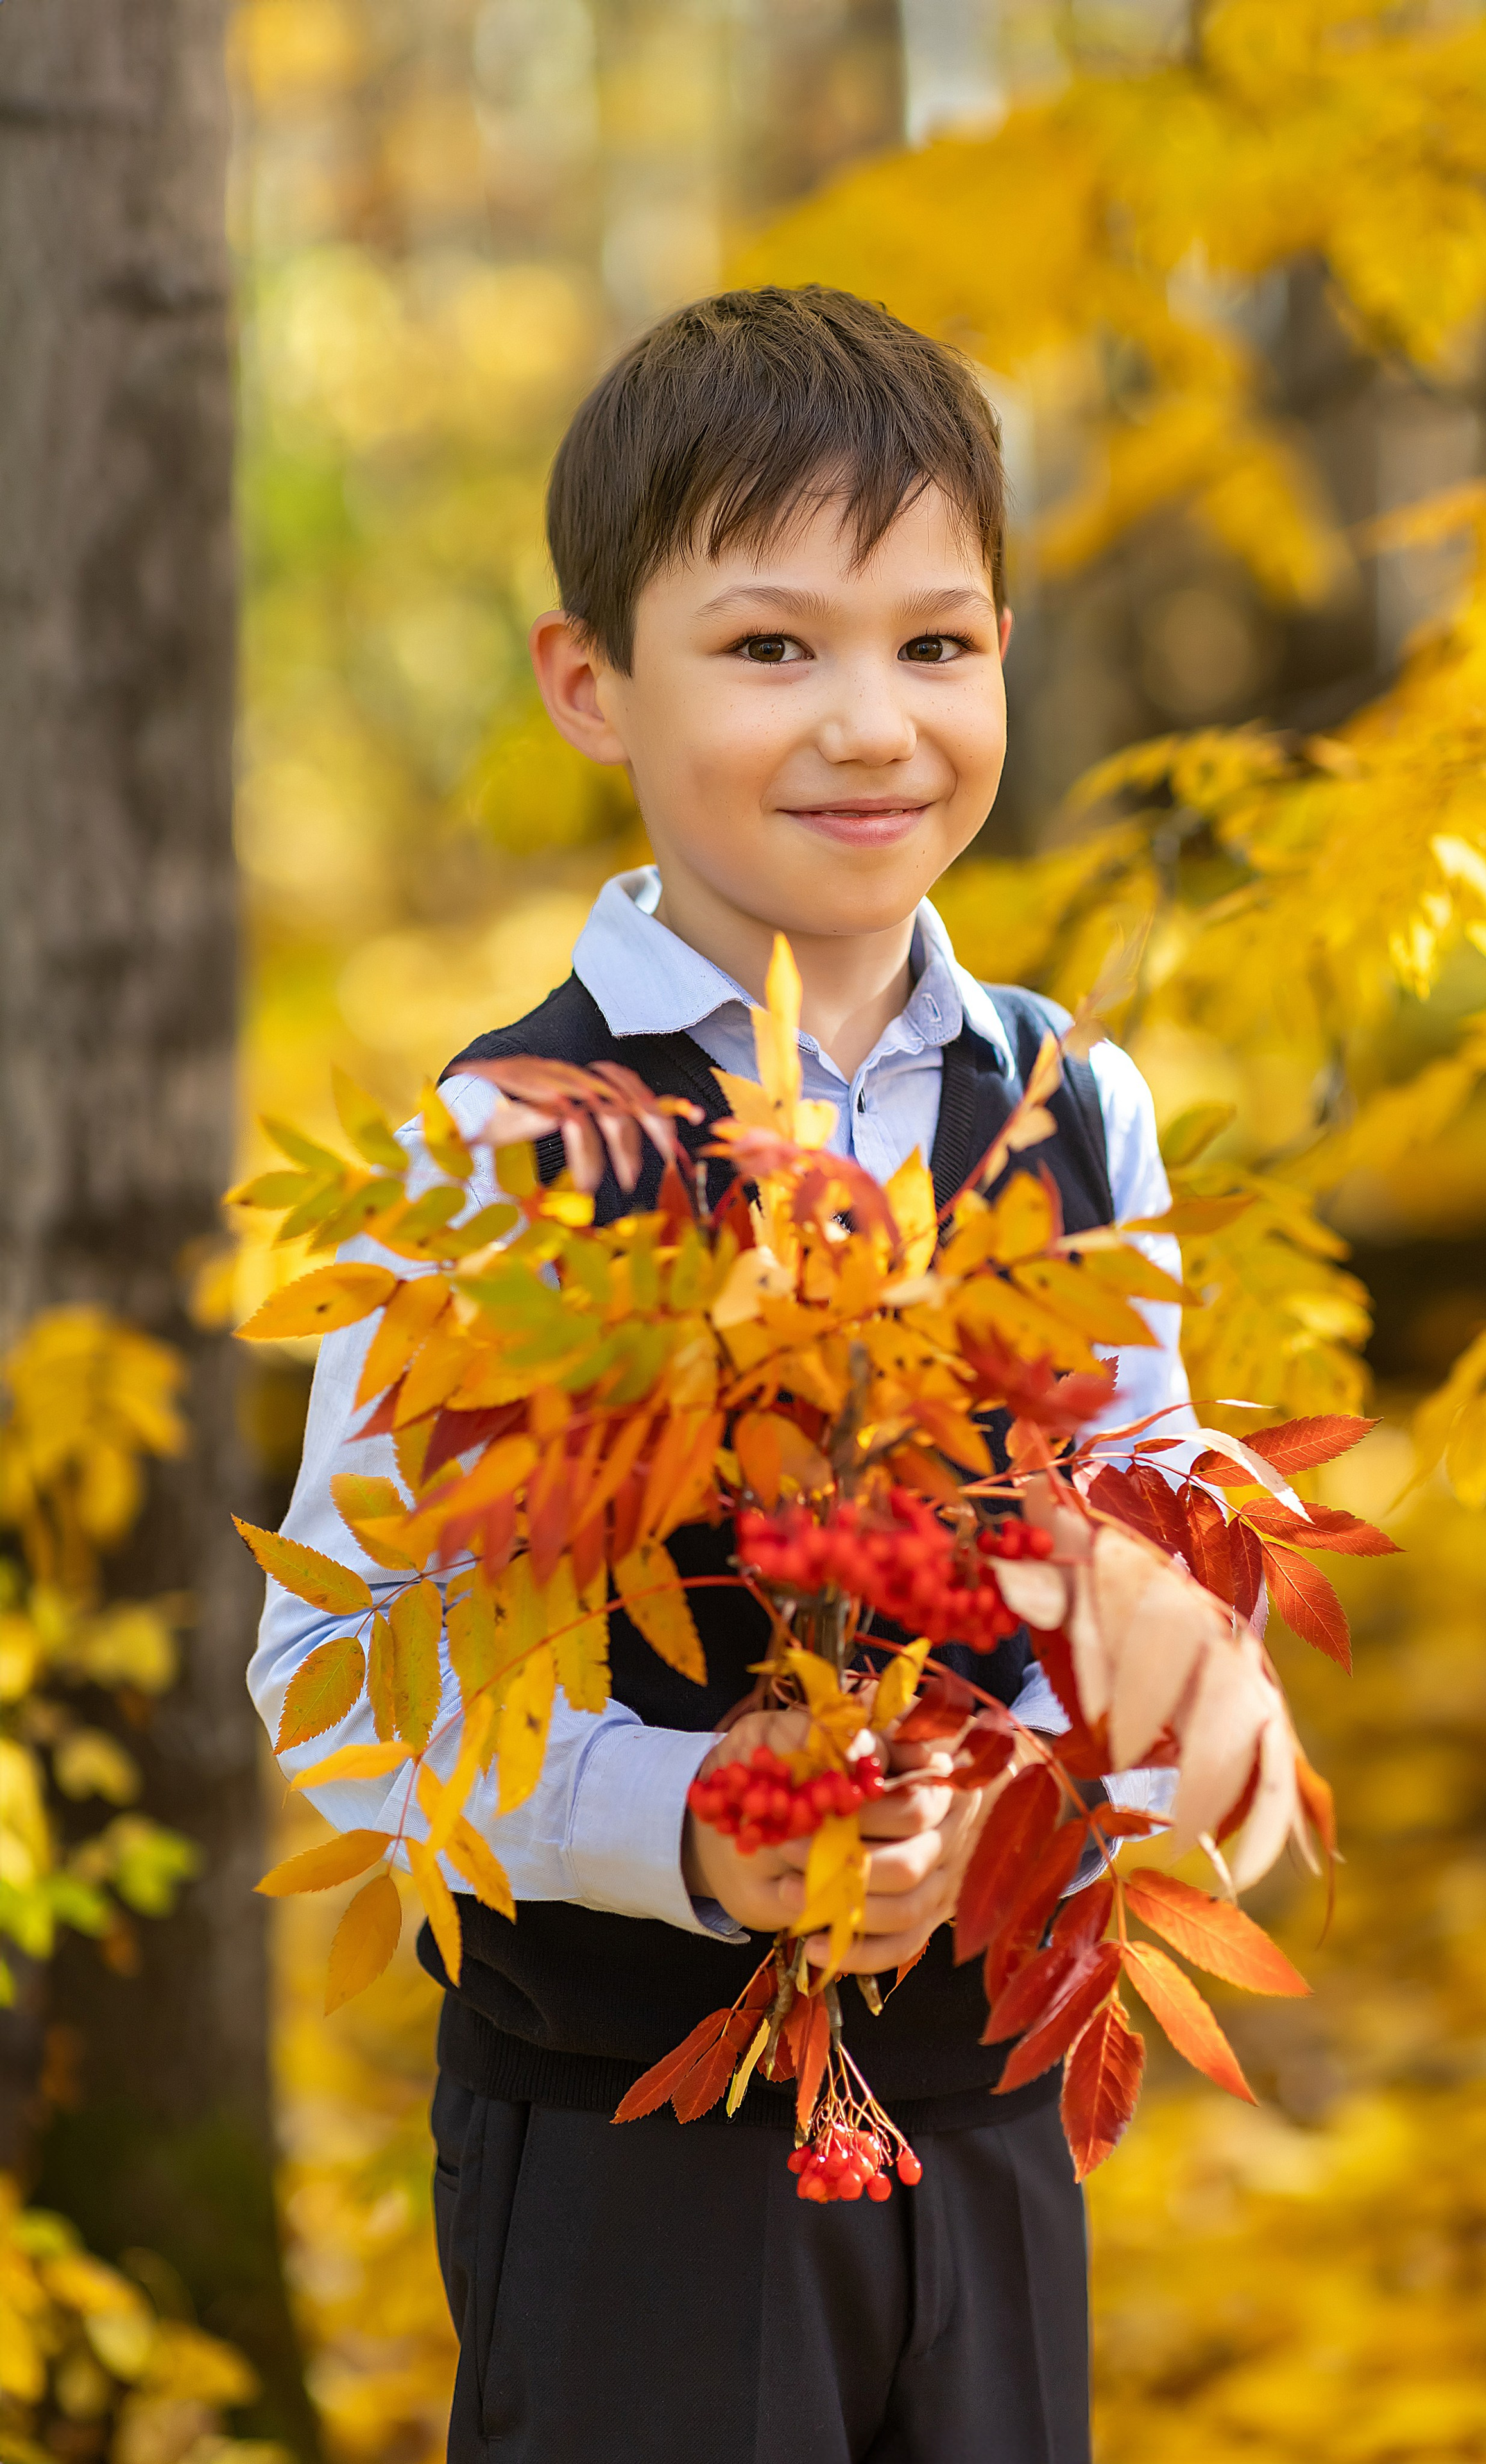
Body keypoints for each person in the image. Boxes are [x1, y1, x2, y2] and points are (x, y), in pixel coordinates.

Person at [248, 285, 1189, 2464]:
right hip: (631, 2148)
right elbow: (334, 1661)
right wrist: (683, 1820)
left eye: (935, 643)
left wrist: (1025, 1793)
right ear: (591, 681)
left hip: (980, 2113)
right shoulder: (504, 1150)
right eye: (773, 646)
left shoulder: (1075, 1106)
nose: (872, 723)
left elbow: (1156, 1569)